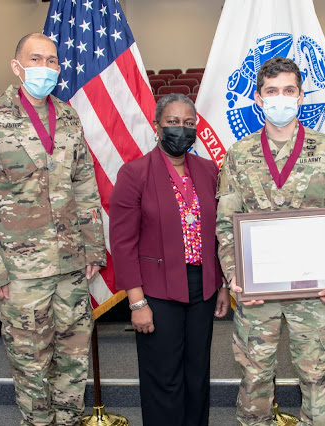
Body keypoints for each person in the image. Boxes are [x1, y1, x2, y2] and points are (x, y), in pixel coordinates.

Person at [0, 33, 106, 425]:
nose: (45, 68)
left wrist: (93, 248)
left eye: (52, 60)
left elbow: (85, 185)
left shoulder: (69, 115)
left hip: (72, 267)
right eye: (35, 59)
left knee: (73, 365)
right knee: (32, 369)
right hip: (20, 273)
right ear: (17, 66)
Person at [216, 56, 325, 425]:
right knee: (254, 379)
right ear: (258, 98)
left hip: (315, 291)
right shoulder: (238, 155)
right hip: (257, 291)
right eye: (271, 91)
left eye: (288, 90)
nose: (280, 98)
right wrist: (235, 275)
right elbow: (225, 224)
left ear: (301, 96)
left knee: (317, 381)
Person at [109, 93, 230, 426]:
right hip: (156, 294)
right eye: (173, 123)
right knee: (164, 379)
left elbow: (218, 232)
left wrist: (220, 285)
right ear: (157, 125)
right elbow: (122, 243)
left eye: (189, 124)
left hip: (202, 288)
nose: (182, 130)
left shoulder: (208, 170)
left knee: (197, 375)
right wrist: (136, 302)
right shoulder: (134, 173)